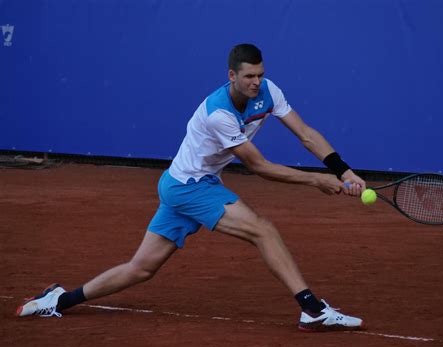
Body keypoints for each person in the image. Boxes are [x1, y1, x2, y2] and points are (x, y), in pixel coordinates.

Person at [16, 43, 366, 332]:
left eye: (260, 75)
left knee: (141, 268)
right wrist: (317, 180)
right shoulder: (219, 113)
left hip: (181, 183)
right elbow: (259, 167)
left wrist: (342, 170)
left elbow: (305, 134)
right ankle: (312, 308)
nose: (256, 83)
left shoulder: (270, 91)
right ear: (232, 75)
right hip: (189, 187)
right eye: (248, 77)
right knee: (263, 230)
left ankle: (60, 299)